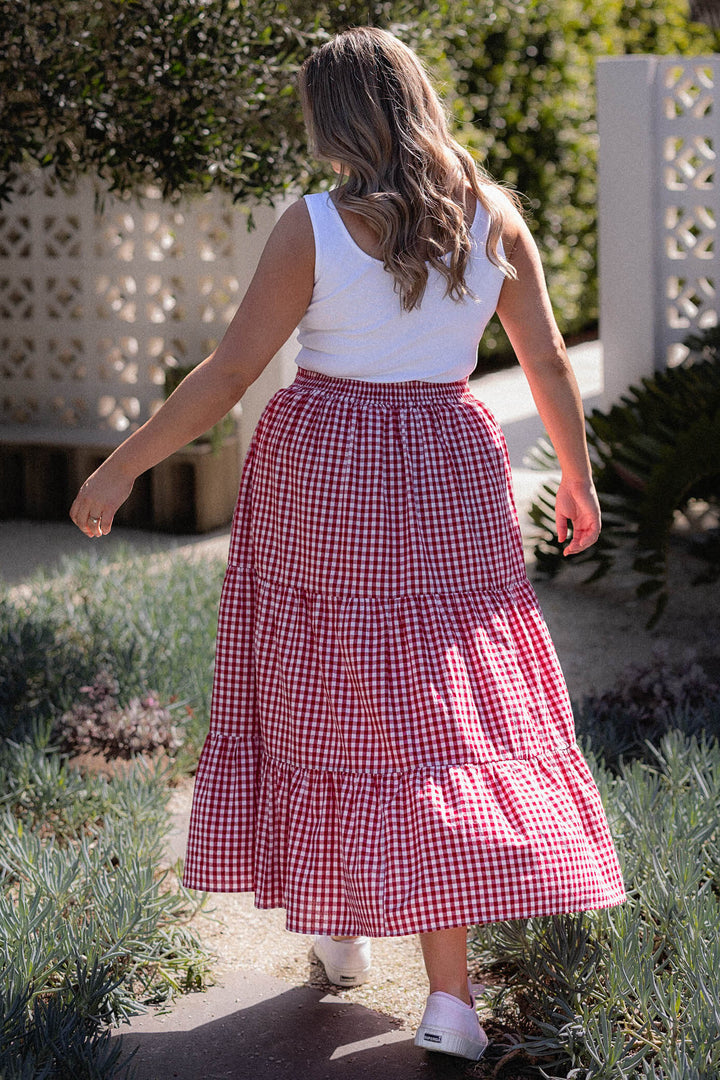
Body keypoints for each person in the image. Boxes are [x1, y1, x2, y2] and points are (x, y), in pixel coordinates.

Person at [70, 26, 625, 1062]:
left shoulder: (315, 225)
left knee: (327, 687)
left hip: (325, 471)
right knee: (436, 710)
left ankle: (342, 928)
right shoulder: (497, 219)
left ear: (333, 119)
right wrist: (578, 478)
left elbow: (230, 376)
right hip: (450, 468)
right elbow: (546, 361)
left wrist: (122, 463)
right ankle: (448, 999)